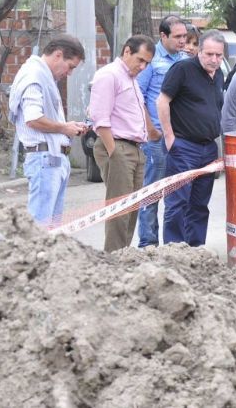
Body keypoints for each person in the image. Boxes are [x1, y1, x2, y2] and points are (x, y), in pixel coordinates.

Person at [8, 34, 88, 225]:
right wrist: (64, 127)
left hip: (52, 159)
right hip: (44, 159)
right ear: (58, 55)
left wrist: (68, 127)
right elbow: (33, 118)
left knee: (51, 228)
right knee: (40, 229)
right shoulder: (34, 75)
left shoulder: (44, 76)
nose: (69, 73)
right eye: (70, 67)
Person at [89, 34, 159, 252]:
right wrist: (114, 152)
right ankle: (113, 260)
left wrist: (152, 132)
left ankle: (123, 256)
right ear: (127, 51)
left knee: (131, 209)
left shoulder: (130, 79)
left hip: (136, 149)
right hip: (118, 147)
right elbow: (99, 119)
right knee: (119, 211)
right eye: (140, 60)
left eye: (147, 63)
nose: (143, 66)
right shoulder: (109, 75)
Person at [136, 16, 200, 248]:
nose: (183, 41)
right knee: (152, 192)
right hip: (157, 139)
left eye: (185, 36)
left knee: (179, 194)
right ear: (163, 36)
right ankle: (148, 243)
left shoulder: (186, 60)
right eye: (178, 37)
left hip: (181, 138)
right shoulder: (151, 62)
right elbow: (139, 97)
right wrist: (151, 130)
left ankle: (175, 244)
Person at [157, 30, 226, 246]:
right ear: (199, 51)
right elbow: (162, 101)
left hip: (208, 149)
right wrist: (170, 137)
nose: (214, 60)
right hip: (184, 146)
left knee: (199, 204)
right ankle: (174, 250)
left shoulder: (219, 74)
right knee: (177, 203)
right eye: (209, 54)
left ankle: (195, 250)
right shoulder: (183, 69)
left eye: (219, 55)